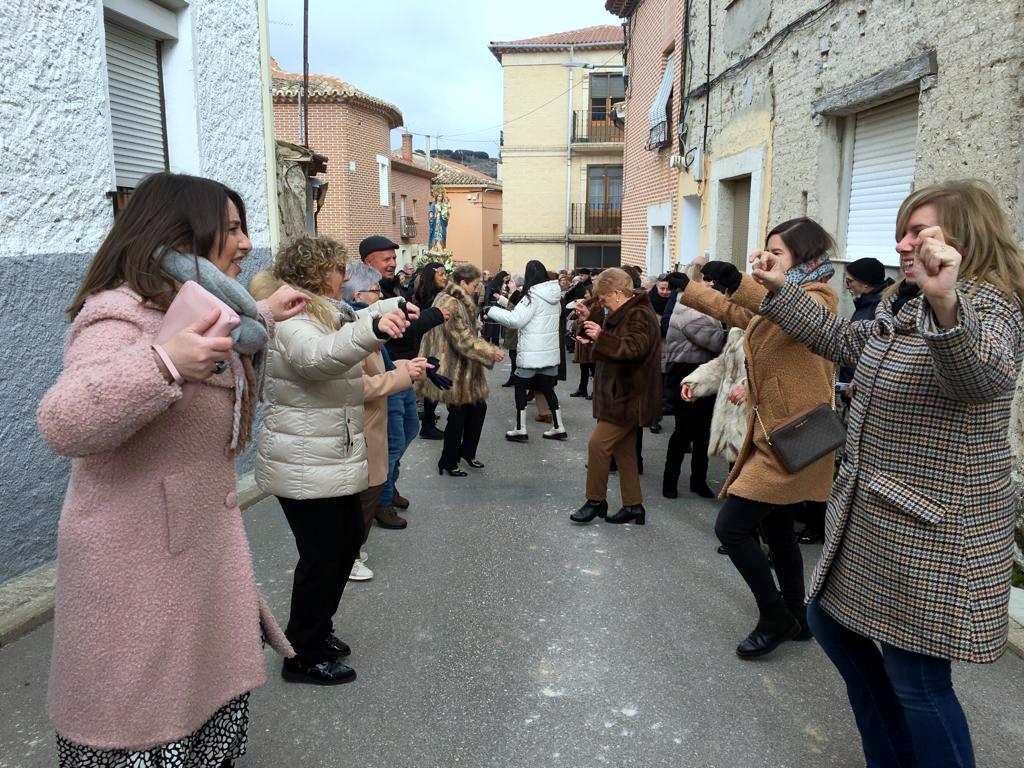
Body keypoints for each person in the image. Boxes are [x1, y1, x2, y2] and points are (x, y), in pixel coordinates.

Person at [751, 180, 1024, 767]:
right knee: (831, 624)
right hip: (874, 513)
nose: (901, 244)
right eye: (902, 230)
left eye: (918, 231)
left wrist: (949, 306)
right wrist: (780, 288)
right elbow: (845, 341)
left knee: (919, 682)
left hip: (932, 528)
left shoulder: (990, 304)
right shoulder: (903, 298)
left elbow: (983, 379)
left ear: (963, 237)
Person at [38, 172, 307, 766]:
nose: (245, 244)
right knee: (147, 730)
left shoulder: (192, 309)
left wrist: (260, 309)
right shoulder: (120, 316)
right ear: (183, 235)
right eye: (232, 229)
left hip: (188, 565)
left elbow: (210, 330)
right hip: (138, 578)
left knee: (202, 722)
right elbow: (63, 422)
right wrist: (161, 362)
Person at [670, 217, 839, 659]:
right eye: (764, 251)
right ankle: (799, 618)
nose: (766, 259)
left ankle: (775, 616)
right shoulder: (775, 301)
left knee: (732, 526)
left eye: (776, 253)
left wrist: (745, 281)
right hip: (772, 436)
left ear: (804, 258)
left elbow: (795, 315)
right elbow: (739, 313)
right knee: (778, 529)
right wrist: (695, 288)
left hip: (794, 438)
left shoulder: (818, 298)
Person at [252, 235, 410, 685]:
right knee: (322, 557)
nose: (345, 276)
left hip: (325, 454)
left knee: (342, 549)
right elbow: (316, 357)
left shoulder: (319, 309)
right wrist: (376, 329)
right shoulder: (291, 316)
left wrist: (388, 310)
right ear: (317, 272)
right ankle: (301, 653)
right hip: (303, 459)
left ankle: (316, 633)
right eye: (338, 268)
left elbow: (348, 320)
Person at [342, 262, 430, 577]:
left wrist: (405, 366)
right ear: (354, 293)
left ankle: (352, 550)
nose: (380, 295)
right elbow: (355, 386)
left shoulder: (365, 322)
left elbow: (381, 365)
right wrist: (402, 377)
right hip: (361, 423)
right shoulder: (349, 327)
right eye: (374, 291)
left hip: (371, 419)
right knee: (364, 492)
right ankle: (348, 556)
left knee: (372, 484)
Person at [359, 236, 448, 523]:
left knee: (410, 429)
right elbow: (402, 329)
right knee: (393, 440)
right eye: (385, 258)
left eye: (393, 258)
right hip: (386, 375)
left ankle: (389, 483)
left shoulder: (394, 287)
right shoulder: (365, 292)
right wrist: (436, 315)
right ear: (367, 262)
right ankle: (381, 503)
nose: (392, 263)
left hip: (403, 371)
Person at [570, 268, 661, 526]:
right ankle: (634, 506)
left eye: (605, 298)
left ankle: (595, 500)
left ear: (618, 294)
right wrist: (596, 337)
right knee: (625, 453)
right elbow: (616, 342)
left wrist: (601, 337)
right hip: (623, 394)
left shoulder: (639, 314)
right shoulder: (628, 312)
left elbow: (633, 349)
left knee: (598, 446)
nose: (603, 303)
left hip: (627, 395)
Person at [419, 263, 504, 475]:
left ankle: (466, 453)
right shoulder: (451, 302)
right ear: (463, 283)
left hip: (460, 364)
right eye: (475, 285)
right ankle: (448, 461)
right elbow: (461, 338)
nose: (477, 289)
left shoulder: (456, 299)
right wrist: (489, 351)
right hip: (451, 367)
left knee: (477, 408)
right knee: (459, 413)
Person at [662, 264, 726, 499]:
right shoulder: (690, 307)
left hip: (702, 372)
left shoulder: (696, 305)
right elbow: (715, 341)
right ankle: (671, 481)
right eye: (707, 280)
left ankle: (698, 480)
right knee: (685, 431)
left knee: (702, 433)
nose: (712, 285)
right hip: (689, 373)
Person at [485, 259, 567, 442]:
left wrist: (491, 310)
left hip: (532, 352)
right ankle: (559, 426)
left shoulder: (532, 297)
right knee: (547, 388)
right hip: (549, 351)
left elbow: (515, 320)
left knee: (520, 386)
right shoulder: (555, 297)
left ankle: (520, 428)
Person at [414, 262, 450, 440]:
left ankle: (428, 420)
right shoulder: (426, 297)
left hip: (435, 345)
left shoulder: (438, 295)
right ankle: (427, 425)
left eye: (445, 273)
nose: (445, 277)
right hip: (426, 346)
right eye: (441, 274)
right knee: (431, 383)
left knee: (432, 383)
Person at [480, 270, 508, 345]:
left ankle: (495, 347)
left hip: (497, 309)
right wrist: (485, 312)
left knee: (496, 331)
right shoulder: (492, 284)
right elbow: (487, 298)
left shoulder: (498, 285)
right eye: (505, 278)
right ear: (501, 278)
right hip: (490, 309)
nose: (506, 280)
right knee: (488, 332)